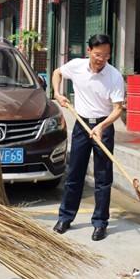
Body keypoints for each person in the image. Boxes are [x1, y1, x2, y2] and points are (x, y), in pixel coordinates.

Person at [52, 34, 125, 241]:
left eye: (106, 55)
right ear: (89, 51)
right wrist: (57, 93)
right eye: (98, 54)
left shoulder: (114, 76)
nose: (102, 59)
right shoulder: (76, 66)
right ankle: (65, 217)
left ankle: (100, 222)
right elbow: (57, 73)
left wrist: (102, 125)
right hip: (81, 125)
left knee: (103, 178)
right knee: (75, 172)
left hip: (104, 125)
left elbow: (118, 108)